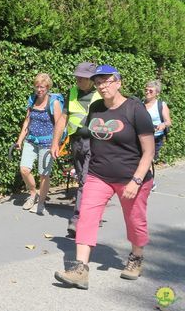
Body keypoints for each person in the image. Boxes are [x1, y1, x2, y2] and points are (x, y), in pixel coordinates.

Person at [54, 65, 155, 290]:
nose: (103, 86)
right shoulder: (97, 107)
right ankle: (80, 268)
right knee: (86, 216)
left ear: (119, 82)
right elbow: (94, 134)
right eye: (98, 82)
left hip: (132, 178)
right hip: (98, 174)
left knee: (135, 220)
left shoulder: (135, 109)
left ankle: (136, 257)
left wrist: (136, 180)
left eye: (107, 81)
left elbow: (149, 151)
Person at [51, 62, 102, 237]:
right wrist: (55, 143)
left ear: (92, 79)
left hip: (95, 144)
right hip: (76, 142)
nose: (78, 79)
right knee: (83, 180)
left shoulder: (100, 95)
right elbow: (62, 119)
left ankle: (77, 220)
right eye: (77, 76)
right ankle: (93, 212)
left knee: (86, 182)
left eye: (82, 77)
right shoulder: (72, 93)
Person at [15, 73, 61, 216]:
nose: (39, 89)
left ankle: (41, 203)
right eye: (37, 87)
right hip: (31, 140)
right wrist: (19, 140)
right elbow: (27, 121)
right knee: (24, 169)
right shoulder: (32, 99)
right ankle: (33, 193)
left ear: (47, 87)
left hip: (47, 143)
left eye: (42, 87)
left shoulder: (53, 103)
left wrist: (56, 144)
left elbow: (60, 124)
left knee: (44, 174)